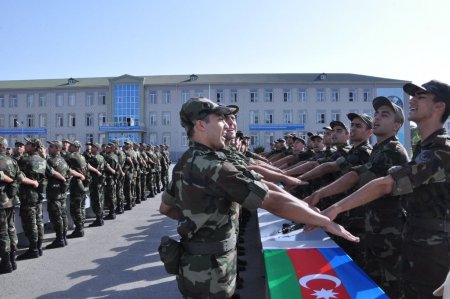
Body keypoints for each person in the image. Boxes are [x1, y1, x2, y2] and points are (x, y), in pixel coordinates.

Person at [160, 97, 359, 299]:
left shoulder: (185, 160)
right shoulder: (214, 166)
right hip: (210, 271)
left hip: (194, 263)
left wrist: (198, 221)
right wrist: (324, 220)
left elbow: (166, 208)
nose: (226, 124)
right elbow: (272, 200)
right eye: (220, 119)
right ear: (201, 125)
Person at [321, 80, 450, 298]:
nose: (412, 100)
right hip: (416, 241)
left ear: (439, 107)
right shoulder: (425, 147)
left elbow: (385, 184)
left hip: (432, 249)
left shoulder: (441, 150)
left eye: (420, 97)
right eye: (412, 96)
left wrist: (335, 208)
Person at [304, 98, 409, 297]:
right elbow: (355, 175)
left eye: (384, 115)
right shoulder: (379, 150)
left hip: (388, 231)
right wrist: (319, 194)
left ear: (397, 126)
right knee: (365, 280)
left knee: (387, 286)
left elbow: (359, 179)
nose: (377, 117)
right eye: (376, 113)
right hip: (373, 227)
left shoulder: (393, 151)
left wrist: (332, 205)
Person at [0, 137, 39, 272]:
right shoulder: (12, 161)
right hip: (10, 200)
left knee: (2, 232)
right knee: (11, 229)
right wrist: (34, 182)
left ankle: (5, 263)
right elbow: (21, 178)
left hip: (1, 201)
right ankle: (12, 259)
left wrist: (9, 180)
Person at [16, 138, 48, 260]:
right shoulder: (42, 160)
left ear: (34, 146)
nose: (25, 145)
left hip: (28, 195)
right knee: (39, 221)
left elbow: (17, 175)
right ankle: (39, 247)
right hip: (38, 194)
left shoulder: (25, 160)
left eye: (28, 144)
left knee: (30, 223)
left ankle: (33, 249)